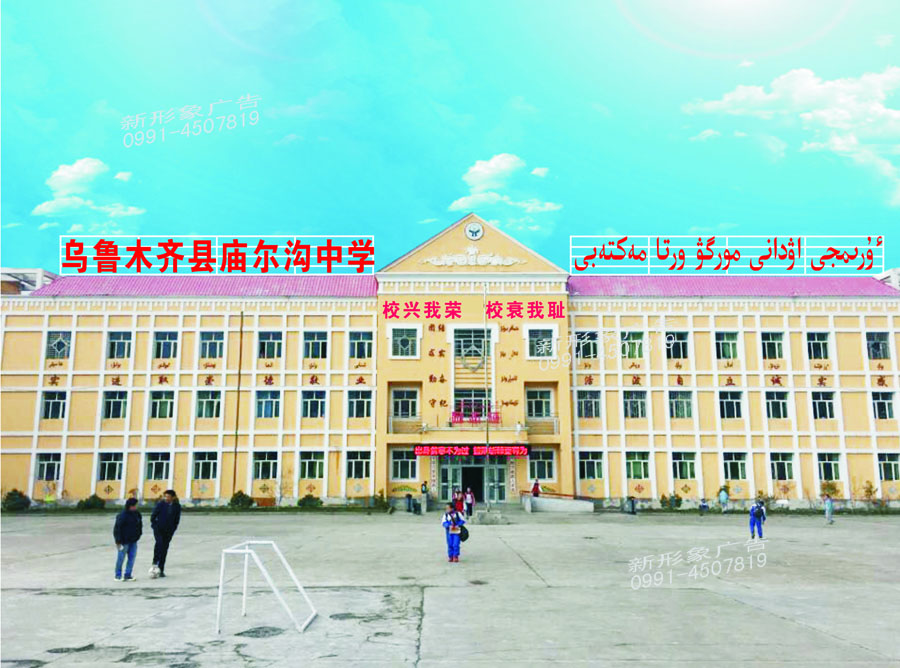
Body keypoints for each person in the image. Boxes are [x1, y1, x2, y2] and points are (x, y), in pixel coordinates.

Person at [149, 489, 181, 578]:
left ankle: (161, 569)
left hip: (169, 531)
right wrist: (155, 526)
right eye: (165, 496)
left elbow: (177, 519)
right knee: (159, 544)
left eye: (168, 497)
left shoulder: (177, 506)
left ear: (173, 497)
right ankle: (155, 563)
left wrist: (173, 529)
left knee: (164, 548)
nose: (166, 498)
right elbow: (153, 517)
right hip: (159, 529)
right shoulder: (160, 504)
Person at [113, 498, 142, 582]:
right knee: (121, 558)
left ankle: (128, 575)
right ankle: (118, 576)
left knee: (132, 558)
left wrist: (139, 534)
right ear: (131, 506)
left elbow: (139, 525)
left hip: (133, 540)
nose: (136, 507)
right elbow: (117, 528)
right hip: (123, 541)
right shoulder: (122, 515)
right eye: (135, 505)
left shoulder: (137, 514)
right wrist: (118, 541)